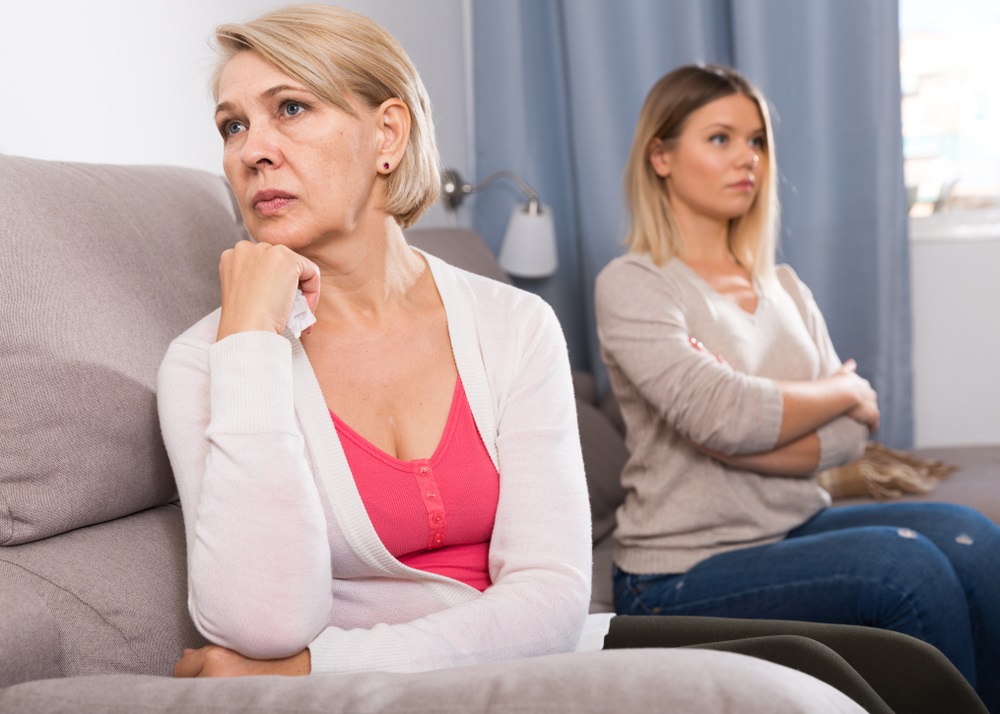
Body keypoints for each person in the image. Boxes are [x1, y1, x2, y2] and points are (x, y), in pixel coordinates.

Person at [154, 7, 930, 711]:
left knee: (879, 667)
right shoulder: (209, 362)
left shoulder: (513, 322)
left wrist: (312, 669)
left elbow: (554, 597)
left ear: (387, 135)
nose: (254, 150)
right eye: (231, 126)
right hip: (397, 691)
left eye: (290, 108)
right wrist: (253, 337)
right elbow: (262, 624)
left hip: (535, 653)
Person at [595, 63, 1000, 712]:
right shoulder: (635, 283)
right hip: (677, 570)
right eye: (720, 138)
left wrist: (748, 431)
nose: (747, 159)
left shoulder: (783, 286)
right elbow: (725, 417)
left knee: (972, 539)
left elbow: (848, 434)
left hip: (790, 523)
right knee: (906, 569)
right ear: (661, 156)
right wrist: (837, 390)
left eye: (756, 141)